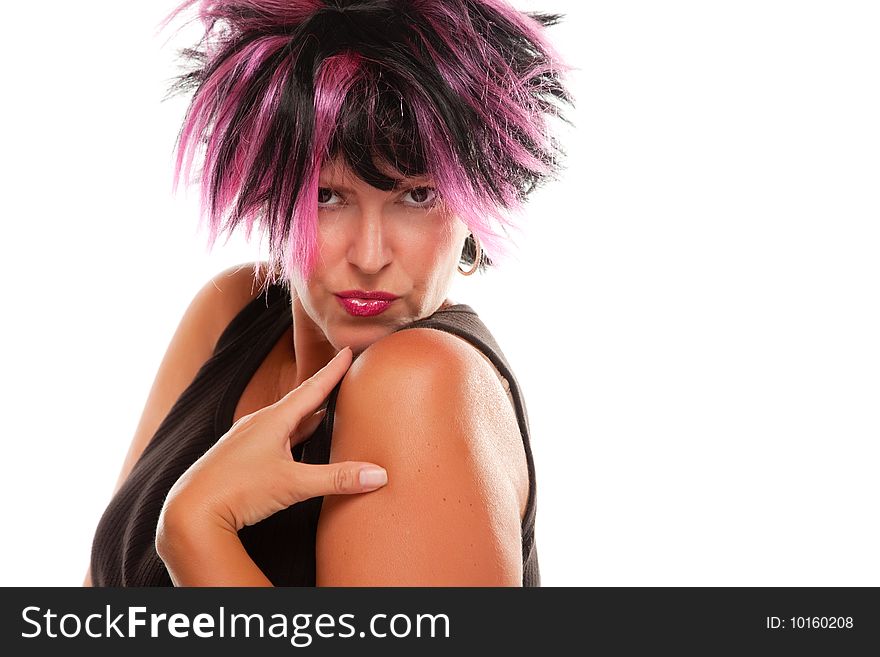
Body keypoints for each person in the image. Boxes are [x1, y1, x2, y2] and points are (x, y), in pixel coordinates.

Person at [86, 0, 574, 586]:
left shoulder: (419, 381)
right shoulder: (232, 308)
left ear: (476, 198)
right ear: (268, 188)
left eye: (417, 196)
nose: (370, 257)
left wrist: (196, 534)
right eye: (327, 196)